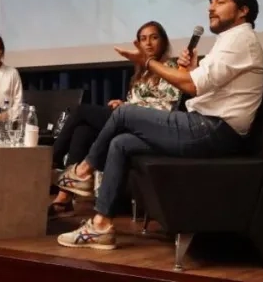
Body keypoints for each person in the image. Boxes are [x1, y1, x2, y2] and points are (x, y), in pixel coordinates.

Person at [55, 0, 263, 250]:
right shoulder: (230, 40)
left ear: (243, 11)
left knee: (123, 113)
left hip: (213, 130)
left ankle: (83, 171)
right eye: (210, 2)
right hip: (207, 126)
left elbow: (190, 86)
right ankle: (101, 225)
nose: (211, 7)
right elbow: (199, 84)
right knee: (121, 143)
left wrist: (146, 61)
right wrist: (192, 69)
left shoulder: (240, 39)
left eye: (220, 2)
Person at [50, 21, 180, 218]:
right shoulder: (141, 72)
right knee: (82, 131)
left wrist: (128, 108)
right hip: (128, 120)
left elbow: (166, 106)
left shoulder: (171, 67)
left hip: (152, 126)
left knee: (81, 111)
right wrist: (123, 103)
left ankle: (51, 160)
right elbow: (139, 100)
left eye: (154, 37)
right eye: (143, 39)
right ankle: (64, 198)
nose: (148, 43)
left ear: (163, 41)